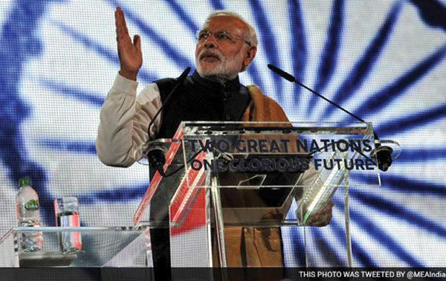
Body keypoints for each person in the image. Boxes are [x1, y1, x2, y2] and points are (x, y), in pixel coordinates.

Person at [96, 7, 333, 278]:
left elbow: (306, 179)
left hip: (255, 260)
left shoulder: (266, 109)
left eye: (223, 36)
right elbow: (114, 153)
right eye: (204, 35)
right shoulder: (163, 96)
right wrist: (127, 76)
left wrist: (317, 203)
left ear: (249, 55)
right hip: (183, 257)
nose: (209, 42)